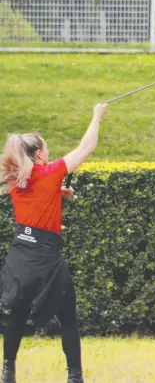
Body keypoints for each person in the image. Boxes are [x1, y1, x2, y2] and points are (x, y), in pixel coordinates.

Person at [0, 103, 109, 383]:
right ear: (39, 154)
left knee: (18, 313)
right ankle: (75, 376)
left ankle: (8, 371)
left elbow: (35, 194)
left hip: (21, 255)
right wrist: (96, 116)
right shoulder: (49, 174)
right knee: (68, 318)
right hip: (47, 257)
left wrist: (57, 193)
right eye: (46, 150)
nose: (49, 154)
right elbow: (86, 148)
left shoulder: (16, 180)